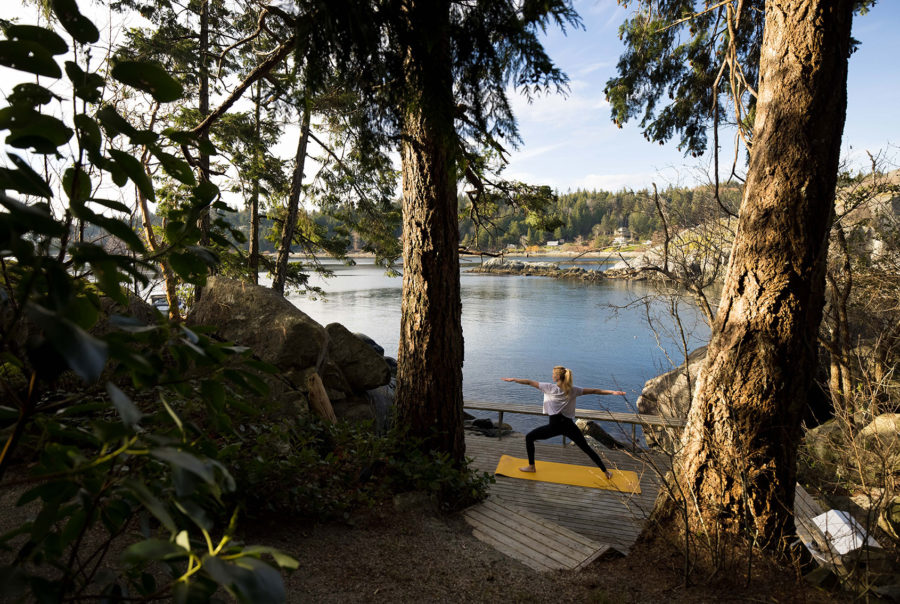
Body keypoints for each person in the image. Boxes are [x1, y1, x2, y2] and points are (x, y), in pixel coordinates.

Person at [501, 366, 625, 479]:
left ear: (558, 377)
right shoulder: (573, 390)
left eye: (553, 374)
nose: (552, 376)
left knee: (529, 437)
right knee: (586, 448)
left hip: (554, 426)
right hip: (568, 425)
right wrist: (612, 392)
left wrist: (513, 379)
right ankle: (606, 472)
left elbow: (528, 382)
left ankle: (531, 467)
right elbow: (594, 391)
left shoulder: (549, 387)